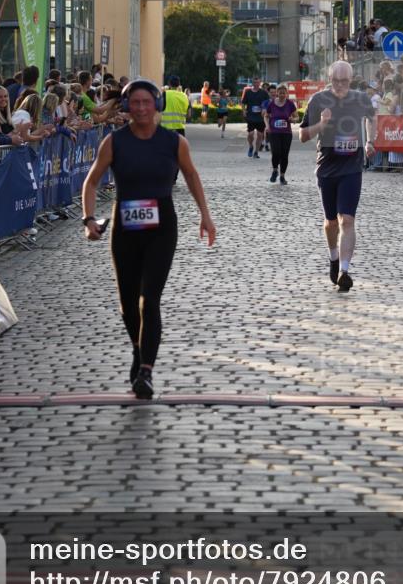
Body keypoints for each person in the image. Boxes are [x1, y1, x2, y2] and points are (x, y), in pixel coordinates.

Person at [81, 79, 216, 399]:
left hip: (162, 228)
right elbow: (91, 182)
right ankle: (138, 349)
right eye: (135, 103)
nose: (141, 108)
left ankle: (146, 371)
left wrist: (205, 216)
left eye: (147, 102)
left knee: (149, 299)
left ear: (157, 105)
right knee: (127, 304)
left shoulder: (174, 143)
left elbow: (192, 176)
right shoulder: (114, 142)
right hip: (125, 229)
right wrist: (88, 220)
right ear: (127, 107)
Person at [299, 61, 376, 293]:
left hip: (352, 168)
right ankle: (333, 257)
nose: (340, 85)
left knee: (347, 220)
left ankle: (344, 270)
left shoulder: (361, 99)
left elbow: (372, 118)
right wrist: (321, 125)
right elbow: (303, 135)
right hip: (327, 168)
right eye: (336, 80)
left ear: (351, 80)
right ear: (329, 78)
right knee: (331, 222)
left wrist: (370, 140)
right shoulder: (318, 100)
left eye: (344, 81)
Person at [263, 84, 298, 184]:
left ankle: (282, 176)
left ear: (286, 93)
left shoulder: (290, 104)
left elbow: (297, 117)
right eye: (280, 93)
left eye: (284, 93)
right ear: (277, 93)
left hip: (286, 133)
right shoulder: (272, 104)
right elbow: (266, 116)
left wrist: (293, 119)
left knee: (284, 155)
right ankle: (275, 170)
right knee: (276, 152)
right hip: (274, 132)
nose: (282, 95)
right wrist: (267, 126)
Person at [242, 76, 267, 158]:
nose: (256, 84)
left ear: (260, 83)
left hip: (260, 117)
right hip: (251, 116)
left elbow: (268, 103)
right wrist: (244, 110)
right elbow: (243, 103)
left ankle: (256, 152)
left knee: (260, 135)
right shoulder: (248, 92)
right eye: (254, 82)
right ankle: (250, 146)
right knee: (250, 134)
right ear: (252, 83)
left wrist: (265, 109)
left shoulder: (263, 93)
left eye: (258, 82)